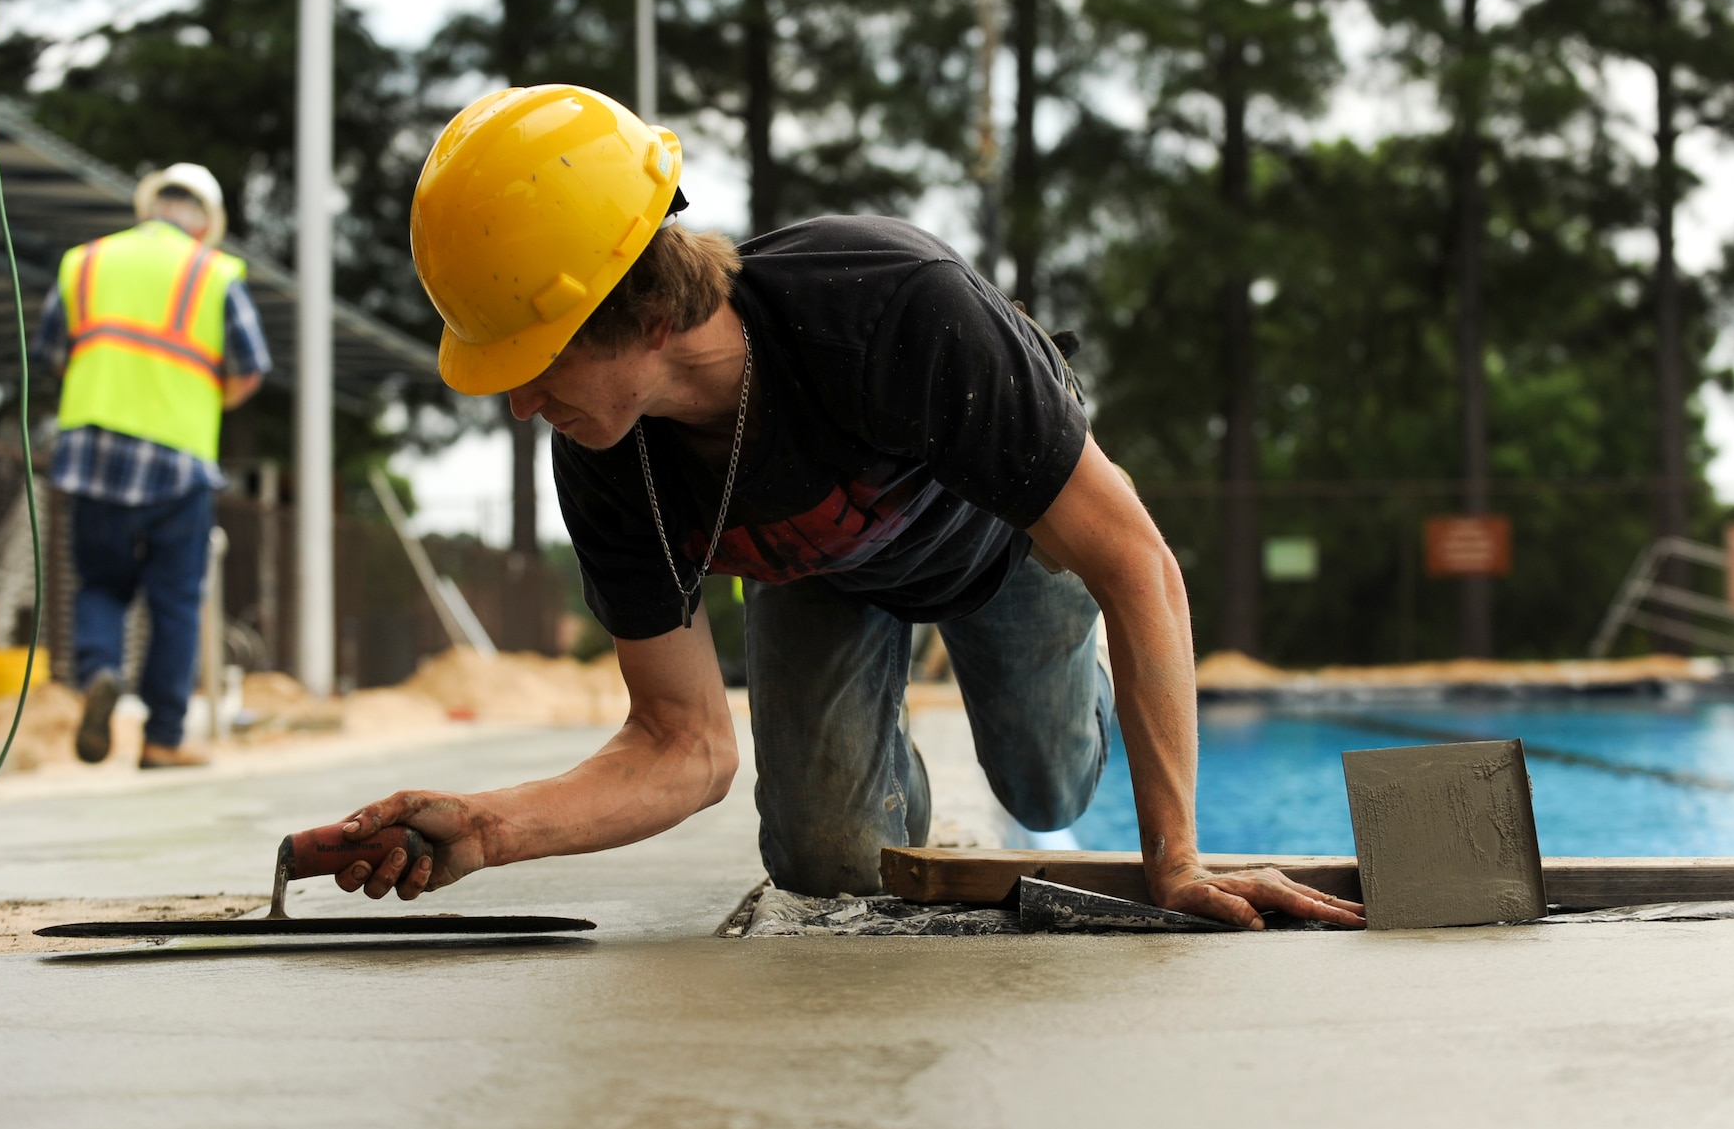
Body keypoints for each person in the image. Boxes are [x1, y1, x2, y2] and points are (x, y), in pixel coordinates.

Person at [327, 85, 1362, 930]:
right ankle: (881, 776)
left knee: (1046, 791)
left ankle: (1061, 678)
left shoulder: (890, 307)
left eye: (536, 359)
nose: (516, 401)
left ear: (644, 315)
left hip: (1004, 546)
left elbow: (1134, 559)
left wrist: (1174, 862)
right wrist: (487, 826)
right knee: (829, 863)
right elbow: (680, 743)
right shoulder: (605, 452)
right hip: (827, 574)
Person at [35, 163, 272, 769]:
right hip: (177, 456)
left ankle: (98, 675)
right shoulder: (213, 272)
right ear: (205, 223)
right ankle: (164, 737)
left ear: (149, 206)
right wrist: (197, 395)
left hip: (92, 450)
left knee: (101, 584)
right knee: (174, 602)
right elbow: (249, 368)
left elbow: (52, 352)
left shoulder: (86, 261)